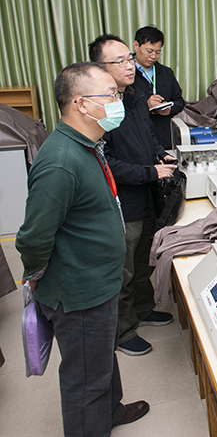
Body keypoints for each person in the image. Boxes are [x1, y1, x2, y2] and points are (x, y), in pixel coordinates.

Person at [16, 62, 150, 435]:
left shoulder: (86, 145)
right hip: (79, 292)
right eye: (111, 95)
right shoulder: (61, 162)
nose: (118, 101)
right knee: (86, 379)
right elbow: (32, 237)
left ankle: (111, 411)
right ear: (82, 104)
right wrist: (38, 276)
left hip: (99, 281)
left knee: (101, 358)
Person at [89, 34, 177, 356]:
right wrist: (150, 172)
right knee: (123, 271)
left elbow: (148, 137)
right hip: (122, 202)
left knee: (143, 262)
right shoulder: (99, 107)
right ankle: (124, 331)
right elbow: (106, 162)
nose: (130, 65)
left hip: (146, 196)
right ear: (100, 68)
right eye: (121, 61)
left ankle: (143, 309)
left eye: (129, 58)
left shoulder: (136, 96)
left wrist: (159, 153)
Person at [132, 25, 185, 149]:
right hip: (136, 138)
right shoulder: (126, 73)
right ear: (136, 45)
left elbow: (179, 101)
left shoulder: (166, 73)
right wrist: (146, 105)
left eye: (157, 52)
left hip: (163, 137)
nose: (153, 56)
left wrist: (170, 109)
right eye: (149, 51)